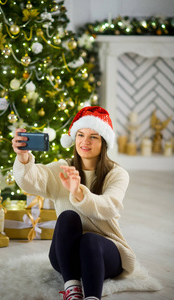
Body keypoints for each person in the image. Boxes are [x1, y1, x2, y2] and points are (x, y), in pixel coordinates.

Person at [12, 106, 136, 300]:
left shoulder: (117, 174)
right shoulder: (62, 168)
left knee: (90, 240)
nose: (85, 141)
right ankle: (72, 288)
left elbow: (109, 206)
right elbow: (31, 180)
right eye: (80, 135)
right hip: (67, 256)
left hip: (102, 254)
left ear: (103, 142)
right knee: (68, 216)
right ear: (74, 138)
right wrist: (23, 157)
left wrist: (78, 191)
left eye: (93, 137)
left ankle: (92, 297)